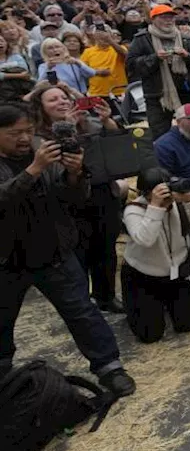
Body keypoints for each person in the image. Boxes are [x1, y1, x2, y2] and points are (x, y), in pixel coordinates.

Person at [0, 103, 135, 396]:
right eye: (14, 133)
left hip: (53, 252)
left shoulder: (43, 149)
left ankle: (109, 367)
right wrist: (35, 169)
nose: (24, 138)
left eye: (28, 131)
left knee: (82, 311)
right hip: (7, 259)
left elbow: (71, 199)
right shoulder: (38, 158)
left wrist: (75, 174)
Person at [28, 80, 126, 312]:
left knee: (106, 248)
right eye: (53, 99)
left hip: (102, 192)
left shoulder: (86, 121)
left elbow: (118, 145)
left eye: (64, 97)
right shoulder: (36, 135)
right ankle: (83, 303)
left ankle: (106, 296)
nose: (61, 101)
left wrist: (105, 120)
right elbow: (56, 166)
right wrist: (67, 129)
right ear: (41, 107)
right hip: (69, 200)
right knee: (79, 252)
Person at [120, 167, 190, 342]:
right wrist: (156, 207)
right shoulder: (133, 210)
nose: (166, 197)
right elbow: (145, 240)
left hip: (177, 272)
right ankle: (144, 309)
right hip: (143, 275)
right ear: (145, 193)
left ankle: (163, 306)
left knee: (188, 325)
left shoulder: (180, 203)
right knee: (150, 335)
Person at [126, 5, 190, 137]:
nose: (169, 21)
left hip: (187, 94)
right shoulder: (142, 39)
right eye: (164, 17)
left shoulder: (185, 39)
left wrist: (187, 56)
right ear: (153, 19)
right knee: (160, 135)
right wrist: (155, 58)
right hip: (157, 96)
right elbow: (131, 66)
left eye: (171, 17)